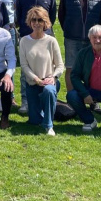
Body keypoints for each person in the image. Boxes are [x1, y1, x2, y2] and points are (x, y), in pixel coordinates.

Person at [58, 0, 101, 92]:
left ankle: (93, 99)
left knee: (92, 69)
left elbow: (100, 16)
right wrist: (70, 29)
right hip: (72, 39)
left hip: (92, 40)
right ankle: (72, 99)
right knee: (71, 68)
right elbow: (62, 15)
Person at [19, 7, 64, 136]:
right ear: (29, 21)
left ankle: (49, 125)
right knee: (34, 121)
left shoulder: (51, 41)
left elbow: (60, 65)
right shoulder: (24, 41)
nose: (36, 23)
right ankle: (47, 110)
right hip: (33, 84)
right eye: (34, 20)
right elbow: (24, 65)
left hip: (49, 81)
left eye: (40, 20)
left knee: (49, 91)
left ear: (45, 22)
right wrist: (35, 79)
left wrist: (54, 78)